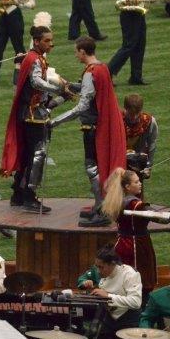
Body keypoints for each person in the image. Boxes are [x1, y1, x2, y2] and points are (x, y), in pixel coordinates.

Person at [49, 36, 127, 226]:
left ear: (83, 52)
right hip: (100, 125)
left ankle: (102, 209)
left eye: (76, 52)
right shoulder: (102, 68)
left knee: (92, 168)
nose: (76, 55)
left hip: (92, 127)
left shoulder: (90, 72)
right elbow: (89, 90)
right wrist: (67, 84)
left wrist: (56, 121)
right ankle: (100, 206)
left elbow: (83, 106)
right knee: (98, 167)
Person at [0, 12, 72, 212]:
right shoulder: (34, 59)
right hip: (33, 115)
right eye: (47, 41)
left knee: (27, 154)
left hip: (30, 112)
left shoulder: (34, 57)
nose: (51, 44)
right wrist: (58, 89)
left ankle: (18, 193)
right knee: (37, 155)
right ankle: (29, 196)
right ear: (37, 41)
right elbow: (36, 82)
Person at [101, 168, 170, 296]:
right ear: (127, 186)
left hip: (121, 245)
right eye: (136, 182)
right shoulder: (137, 205)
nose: (140, 183)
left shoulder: (118, 201)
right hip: (137, 247)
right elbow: (163, 219)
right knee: (140, 285)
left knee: (122, 284)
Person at [81, 244, 142, 339]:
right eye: (97, 267)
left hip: (129, 321)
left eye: (101, 267)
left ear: (112, 264)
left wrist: (108, 296)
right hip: (110, 319)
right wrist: (94, 293)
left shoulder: (130, 274)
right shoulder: (103, 277)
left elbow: (136, 302)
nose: (98, 271)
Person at [122, 93, 158, 183]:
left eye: (137, 113)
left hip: (137, 162)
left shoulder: (149, 121)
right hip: (120, 162)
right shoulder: (117, 120)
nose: (134, 117)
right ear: (125, 108)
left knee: (136, 187)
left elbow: (152, 144)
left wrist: (148, 165)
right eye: (131, 114)